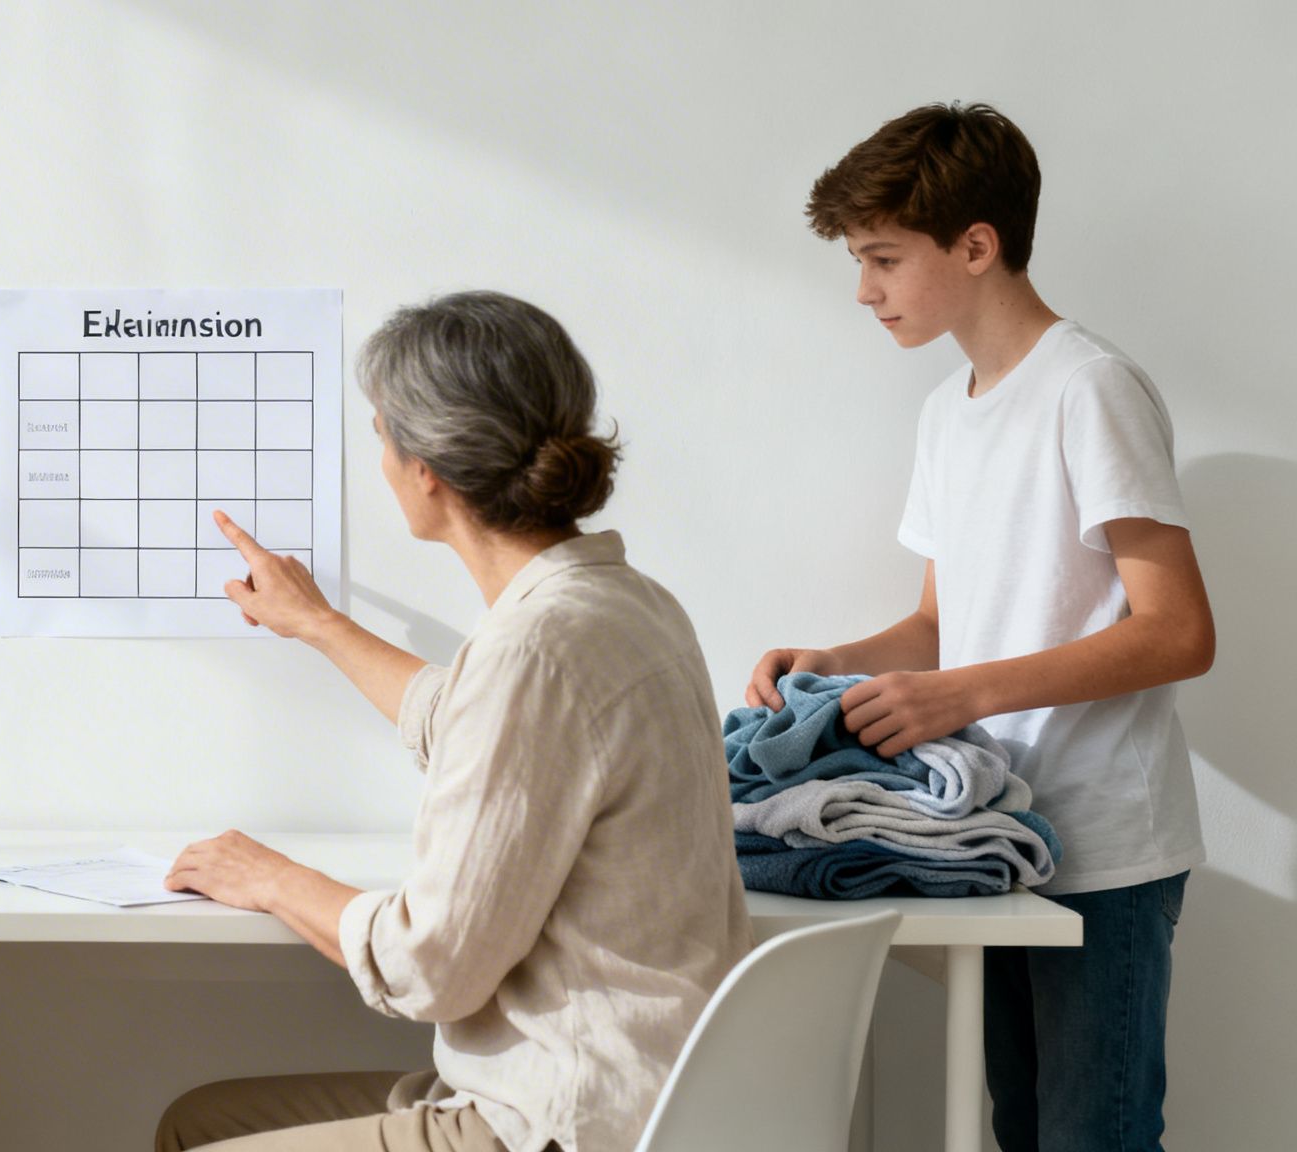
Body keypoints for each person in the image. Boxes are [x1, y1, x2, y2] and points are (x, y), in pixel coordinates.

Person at [157, 291, 752, 1152]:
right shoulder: (628, 605)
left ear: (426, 469)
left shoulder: (537, 647)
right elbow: (470, 718)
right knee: (196, 1121)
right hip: (643, 1086)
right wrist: (319, 624)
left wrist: (271, 878)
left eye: (381, 435)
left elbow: (426, 964)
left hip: (563, 1117)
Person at [745, 103, 1215, 1152]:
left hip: (1106, 850)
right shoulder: (946, 412)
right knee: (1017, 1130)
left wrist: (957, 695)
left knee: (1092, 1135)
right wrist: (836, 662)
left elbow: (1178, 631)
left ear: (974, 245)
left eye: (879, 258)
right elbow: (935, 623)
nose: (861, 290)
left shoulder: (1088, 389)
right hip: (998, 841)